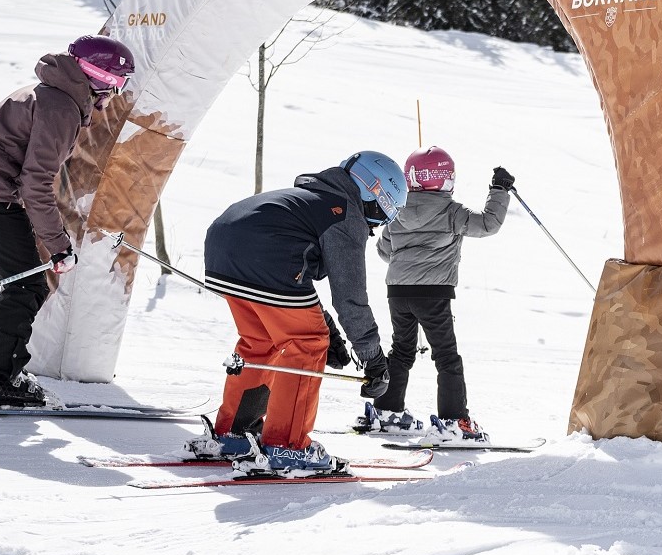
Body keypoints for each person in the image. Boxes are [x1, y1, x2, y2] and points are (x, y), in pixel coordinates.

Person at [0, 34, 136, 407]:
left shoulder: (46, 93)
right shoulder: (60, 106)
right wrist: (59, 246)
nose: (112, 95)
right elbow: (37, 182)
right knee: (26, 286)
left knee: (22, 281)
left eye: (120, 86)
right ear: (94, 77)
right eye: (112, 83)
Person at [187, 150, 407, 478]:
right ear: (377, 195)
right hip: (265, 258)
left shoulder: (315, 199)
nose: (385, 222)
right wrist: (373, 358)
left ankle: (234, 435)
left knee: (260, 341)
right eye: (391, 210)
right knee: (308, 344)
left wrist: (330, 327)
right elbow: (350, 297)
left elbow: (297, 283)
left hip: (225, 249)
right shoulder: (345, 213)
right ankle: (288, 447)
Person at [357, 146, 513, 443]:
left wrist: (407, 258)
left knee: (401, 351)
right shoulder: (451, 211)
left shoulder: (397, 211)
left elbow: (384, 250)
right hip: (433, 293)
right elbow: (488, 224)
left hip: (398, 292)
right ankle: (454, 421)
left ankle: (388, 411)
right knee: (446, 356)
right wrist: (499, 189)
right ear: (444, 179)